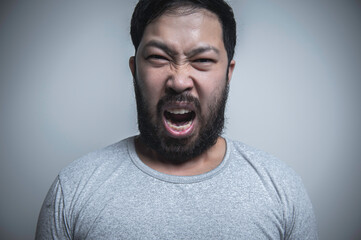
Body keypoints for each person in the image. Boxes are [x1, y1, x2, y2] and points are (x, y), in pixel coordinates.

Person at [36, 0, 318, 239]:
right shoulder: (73, 189)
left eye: (203, 60)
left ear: (228, 73)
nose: (180, 80)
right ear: (135, 69)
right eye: (159, 57)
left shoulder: (282, 189)